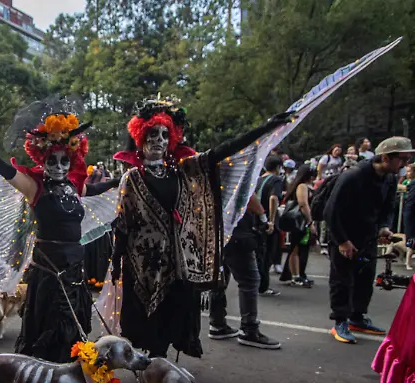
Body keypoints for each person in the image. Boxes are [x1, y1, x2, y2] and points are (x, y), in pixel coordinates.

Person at [109, 96, 292, 358]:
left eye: (164, 135)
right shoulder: (132, 177)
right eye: (152, 134)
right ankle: (153, 365)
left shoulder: (180, 170)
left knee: (175, 315)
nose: (158, 140)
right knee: (149, 324)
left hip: (178, 262)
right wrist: (116, 260)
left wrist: (264, 130)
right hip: (145, 265)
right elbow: (123, 223)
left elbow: (220, 152)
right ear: (141, 138)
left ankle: (162, 365)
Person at [0, 98, 120, 363]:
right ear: (43, 158)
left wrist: (125, 179)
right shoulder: (34, 187)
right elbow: (0, 166)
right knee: (49, 329)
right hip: (50, 272)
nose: (59, 166)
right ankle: (43, 381)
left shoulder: (75, 187)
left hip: (74, 270)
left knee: (73, 329)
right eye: (53, 160)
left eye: (64, 161)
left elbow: (97, 189)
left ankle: (66, 378)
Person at [325, 137, 414, 344]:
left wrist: (384, 226)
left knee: (365, 279)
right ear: (385, 157)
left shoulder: (390, 179)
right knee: (342, 280)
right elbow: (331, 211)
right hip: (345, 234)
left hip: (368, 236)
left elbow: (388, 207)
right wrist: (342, 241)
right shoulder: (353, 176)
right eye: (402, 159)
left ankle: (357, 317)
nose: (405, 165)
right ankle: (340, 320)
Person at [209, 194, 281, 349]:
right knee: (249, 281)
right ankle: (249, 329)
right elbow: (245, 194)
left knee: (220, 277)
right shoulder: (237, 170)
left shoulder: (209, 171)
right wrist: (262, 216)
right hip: (236, 232)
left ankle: (217, 323)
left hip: (215, 229)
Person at [281, 165, 317, 287]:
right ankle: (295, 275)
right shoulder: (302, 186)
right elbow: (303, 204)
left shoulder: (306, 186)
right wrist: (310, 221)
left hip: (303, 220)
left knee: (301, 247)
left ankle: (298, 273)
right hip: (299, 221)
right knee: (295, 248)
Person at [256, 156, 285, 296]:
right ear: (278, 167)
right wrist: (272, 219)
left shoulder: (258, 179)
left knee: (258, 253)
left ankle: (256, 283)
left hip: (256, 220)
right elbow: (273, 197)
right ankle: (263, 286)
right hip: (267, 220)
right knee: (267, 254)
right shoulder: (277, 180)